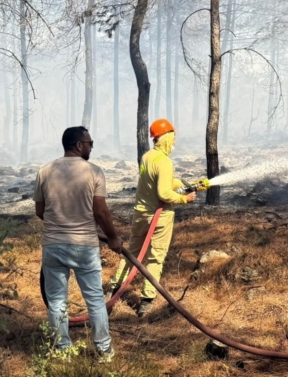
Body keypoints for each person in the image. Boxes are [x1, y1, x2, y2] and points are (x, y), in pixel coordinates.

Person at [33, 126, 122, 362]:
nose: (92, 147)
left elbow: (40, 211)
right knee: (94, 299)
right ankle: (104, 351)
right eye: (90, 143)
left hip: (53, 245)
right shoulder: (94, 172)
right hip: (84, 245)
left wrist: (61, 223)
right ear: (79, 145)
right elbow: (101, 212)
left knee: (56, 302)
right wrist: (113, 238)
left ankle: (63, 352)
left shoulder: (44, 171)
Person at [110, 118, 196, 317]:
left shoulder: (148, 157)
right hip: (160, 218)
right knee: (155, 258)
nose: (174, 143)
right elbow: (164, 194)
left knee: (131, 253)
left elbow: (157, 180)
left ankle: (113, 290)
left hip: (141, 214)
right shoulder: (165, 162)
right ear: (166, 138)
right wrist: (185, 198)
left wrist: (184, 183)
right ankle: (146, 302)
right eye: (173, 139)